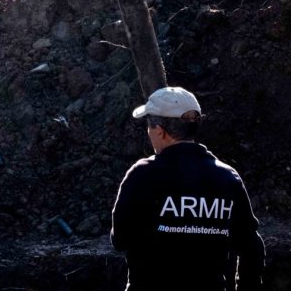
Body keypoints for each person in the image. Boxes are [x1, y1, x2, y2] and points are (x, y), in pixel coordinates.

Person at [110, 86, 265, 291]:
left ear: (159, 130)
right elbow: (251, 247)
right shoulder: (227, 178)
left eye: (148, 126)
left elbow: (120, 240)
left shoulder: (142, 175)